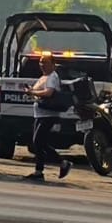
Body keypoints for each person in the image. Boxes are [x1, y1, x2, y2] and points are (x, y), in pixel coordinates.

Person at [27, 53, 72, 181]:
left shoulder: (53, 77)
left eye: (45, 62)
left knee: (38, 142)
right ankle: (39, 171)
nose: (42, 65)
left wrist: (33, 92)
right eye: (41, 62)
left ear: (53, 64)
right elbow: (39, 94)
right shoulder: (43, 77)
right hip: (40, 114)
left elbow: (49, 92)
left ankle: (62, 162)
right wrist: (31, 92)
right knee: (39, 143)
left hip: (48, 115)